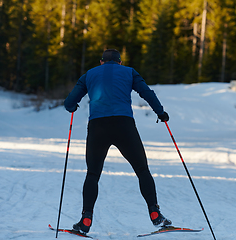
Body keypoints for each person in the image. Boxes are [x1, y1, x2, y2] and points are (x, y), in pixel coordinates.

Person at [64, 49, 171, 234]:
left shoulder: (89, 74)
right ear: (120, 62)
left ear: (101, 62)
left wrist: (73, 106)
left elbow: (69, 103)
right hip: (124, 126)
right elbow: (146, 92)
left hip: (98, 127)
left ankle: (86, 218)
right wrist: (160, 113)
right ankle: (155, 214)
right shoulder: (129, 72)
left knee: (92, 174)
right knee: (142, 170)